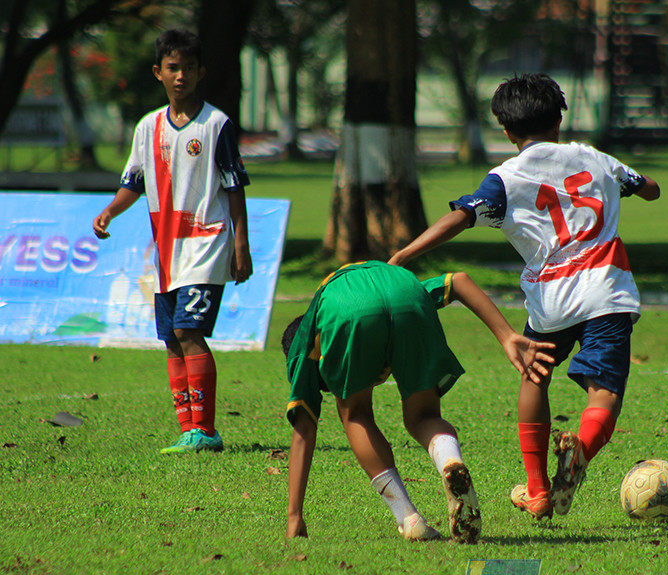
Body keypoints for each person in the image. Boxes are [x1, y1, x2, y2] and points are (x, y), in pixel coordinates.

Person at [389, 73, 660, 520]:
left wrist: (407, 252)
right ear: (559, 118)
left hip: (550, 299)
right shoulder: (592, 157)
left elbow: (461, 217)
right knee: (603, 395)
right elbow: (649, 188)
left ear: (507, 132)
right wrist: (633, 185)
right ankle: (581, 451)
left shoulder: (505, 178)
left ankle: (537, 490)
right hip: (605, 292)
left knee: (535, 377)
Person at [282, 261, 555, 543]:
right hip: (405, 291)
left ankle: (409, 519)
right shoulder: (372, 279)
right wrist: (507, 335)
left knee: (356, 415)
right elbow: (457, 281)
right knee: (423, 416)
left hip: (346, 310)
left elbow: (304, 429)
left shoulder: (306, 342)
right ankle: (451, 461)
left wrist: (294, 516)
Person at [93, 29, 252, 454]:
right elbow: (135, 181)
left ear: (201, 72)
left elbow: (234, 186)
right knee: (170, 337)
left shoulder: (216, 124)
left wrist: (241, 245)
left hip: (207, 241)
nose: (180, 75)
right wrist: (110, 211)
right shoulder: (147, 128)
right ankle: (188, 429)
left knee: (188, 329)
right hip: (168, 250)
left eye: (188, 68)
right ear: (158, 73)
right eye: (172, 67)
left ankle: (206, 430)